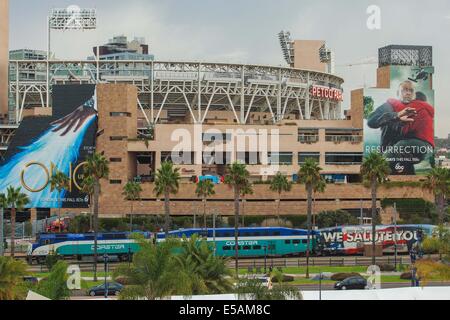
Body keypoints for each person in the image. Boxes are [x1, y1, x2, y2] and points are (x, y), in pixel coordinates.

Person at [367, 81, 434, 175]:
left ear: (414, 94)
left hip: (405, 159)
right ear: (398, 93)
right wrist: (396, 115)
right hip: (389, 156)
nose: (408, 93)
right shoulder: (389, 106)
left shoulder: (416, 109)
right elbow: (371, 121)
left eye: (411, 90)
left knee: (409, 186)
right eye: (404, 90)